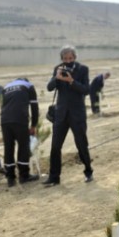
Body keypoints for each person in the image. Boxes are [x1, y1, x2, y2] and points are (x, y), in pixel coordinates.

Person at [43, 44, 93, 186]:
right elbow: (49, 87)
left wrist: (71, 81)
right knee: (55, 146)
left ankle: (88, 170)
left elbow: (86, 90)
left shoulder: (83, 69)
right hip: (61, 114)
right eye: (65, 58)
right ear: (62, 58)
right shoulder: (58, 69)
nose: (68, 61)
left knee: (81, 144)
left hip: (77, 114)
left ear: (75, 57)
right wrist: (57, 78)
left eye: (70, 58)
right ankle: (54, 177)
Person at [0, 77, 40, 186]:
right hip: (19, 119)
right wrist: (33, 125)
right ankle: (24, 175)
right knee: (23, 146)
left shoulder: (6, 87)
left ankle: (10, 178)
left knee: (8, 147)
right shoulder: (29, 86)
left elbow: (3, 105)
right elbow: (34, 107)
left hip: (5, 121)